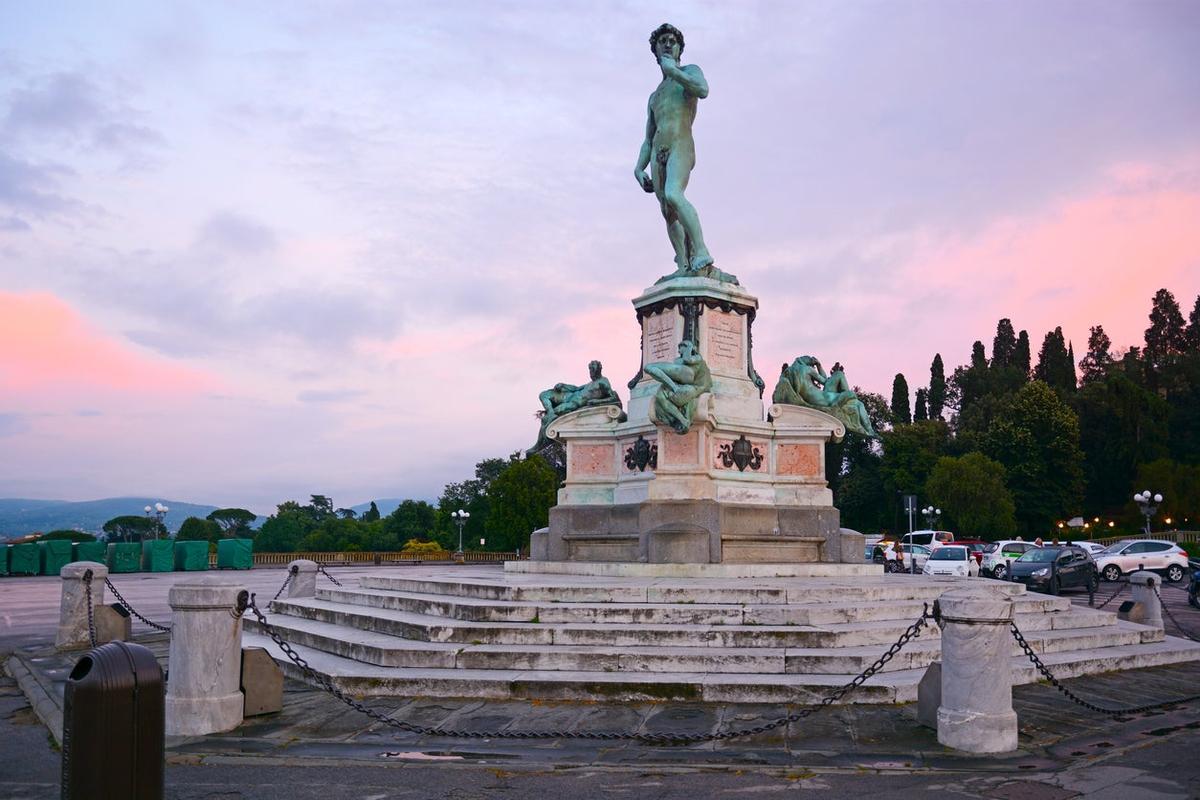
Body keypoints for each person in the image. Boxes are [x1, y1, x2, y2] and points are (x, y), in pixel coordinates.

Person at [634, 24, 715, 277]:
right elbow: (648, 138)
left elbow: (703, 90)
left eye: (672, 41)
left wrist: (675, 73)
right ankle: (684, 264)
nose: (668, 44)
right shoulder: (654, 96)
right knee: (667, 211)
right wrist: (638, 167)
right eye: (663, 41)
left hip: (681, 143)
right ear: (656, 51)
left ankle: (701, 250)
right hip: (658, 149)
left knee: (673, 194)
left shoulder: (689, 71)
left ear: (679, 48)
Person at [528, 361, 622, 454]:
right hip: (569, 396)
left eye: (593, 370)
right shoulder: (590, 383)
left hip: (574, 403)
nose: (591, 373)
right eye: (590, 370)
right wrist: (563, 385)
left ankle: (537, 447)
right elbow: (576, 388)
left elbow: (613, 397)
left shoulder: (603, 382)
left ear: (599, 370)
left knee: (546, 419)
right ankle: (551, 413)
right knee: (544, 395)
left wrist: (597, 401)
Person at [644, 339, 713, 434]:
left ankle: (674, 388)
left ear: (686, 347)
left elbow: (687, 359)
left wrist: (689, 348)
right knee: (660, 396)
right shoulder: (677, 361)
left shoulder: (697, 358)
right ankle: (683, 420)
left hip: (689, 386)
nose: (678, 351)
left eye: (680, 348)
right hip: (680, 384)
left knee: (649, 368)